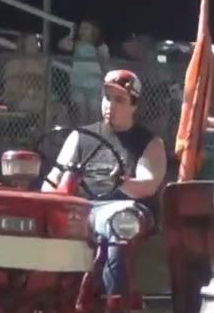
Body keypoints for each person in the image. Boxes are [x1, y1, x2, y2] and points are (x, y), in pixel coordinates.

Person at [42, 69, 167, 297]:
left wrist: (123, 182)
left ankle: (114, 302)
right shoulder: (80, 136)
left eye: (119, 100)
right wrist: (47, 200)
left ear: (134, 105)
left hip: (122, 208)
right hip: (81, 207)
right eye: (107, 97)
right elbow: (54, 177)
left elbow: (148, 185)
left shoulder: (149, 143)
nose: (110, 105)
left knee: (118, 223)